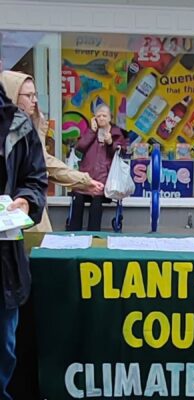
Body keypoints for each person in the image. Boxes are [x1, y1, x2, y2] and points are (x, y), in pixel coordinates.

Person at [0, 70, 104, 232]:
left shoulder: (30, 127)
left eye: (35, 95)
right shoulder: (12, 131)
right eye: (28, 95)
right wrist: (82, 181)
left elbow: (42, 164)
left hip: (24, 210)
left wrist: (83, 181)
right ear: (12, 96)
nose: (34, 100)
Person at [0, 82, 47, 400]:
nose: (33, 101)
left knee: (4, 346)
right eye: (28, 94)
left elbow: (36, 177)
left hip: (4, 259)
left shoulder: (16, 124)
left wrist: (26, 202)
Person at [67, 104, 127, 231]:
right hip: (87, 178)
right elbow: (80, 148)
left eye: (104, 116)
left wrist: (111, 142)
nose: (101, 118)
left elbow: (121, 154)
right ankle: (73, 233)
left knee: (96, 202)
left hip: (105, 180)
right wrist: (91, 132)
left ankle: (93, 234)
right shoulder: (90, 131)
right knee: (77, 198)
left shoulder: (116, 134)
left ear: (110, 118)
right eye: (98, 116)